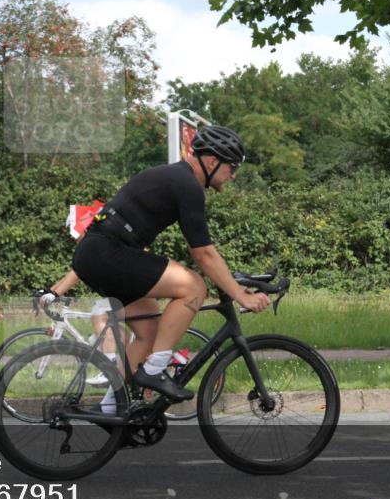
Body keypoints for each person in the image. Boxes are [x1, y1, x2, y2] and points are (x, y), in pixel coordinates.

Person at [58, 125, 271, 408]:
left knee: (148, 330)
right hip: (107, 252)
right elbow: (204, 254)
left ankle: (113, 407)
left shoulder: (177, 178)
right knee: (194, 286)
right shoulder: (186, 184)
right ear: (211, 162)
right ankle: (155, 371)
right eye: (232, 167)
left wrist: (233, 285)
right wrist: (241, 295)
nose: (233, 175)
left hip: (97, 254)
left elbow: (205, 252)